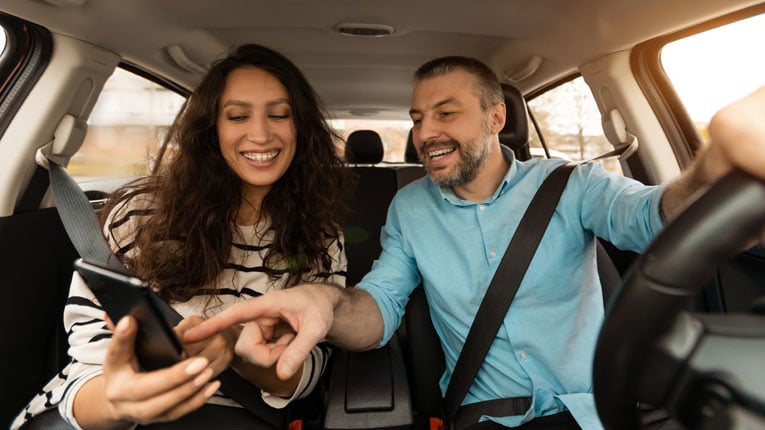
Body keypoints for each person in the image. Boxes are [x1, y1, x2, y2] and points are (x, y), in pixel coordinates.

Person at [185, 56, 765, 429]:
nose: (426, 133)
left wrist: (717, 169)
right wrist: (325, 302)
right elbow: (380, 308)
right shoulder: (409, 208)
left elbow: (655, 216)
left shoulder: (571, 183)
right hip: (490, 420)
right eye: (417, 118)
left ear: (495, 117)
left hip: (606, 409)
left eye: (446, 113)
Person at [12, 43, 353, 429]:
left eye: (279, 115)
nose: (260, 134)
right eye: (238, 116)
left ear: (301, 129)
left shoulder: (321, 237)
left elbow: (305, 374)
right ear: (211, 129)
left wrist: (236, 348)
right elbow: (90, 358)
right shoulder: (139, 214)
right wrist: (120, 400)